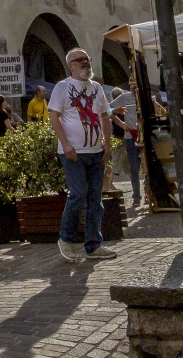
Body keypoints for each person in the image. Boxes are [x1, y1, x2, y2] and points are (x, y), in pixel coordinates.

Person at [50, 47, 117, 263]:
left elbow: (105, 116)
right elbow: (54, 117)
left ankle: (93, 245)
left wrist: (107, 144)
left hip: (96, 152)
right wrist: (66, 144)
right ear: (71, 66)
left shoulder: (96, 87)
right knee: (78, 194)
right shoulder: (63, 87)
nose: (85, 63)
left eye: (87, 59)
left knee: (95, 200)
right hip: (73, 152)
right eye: (80, 60)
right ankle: (66, 240)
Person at [110, 95, 143, 207]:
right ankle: (136, 197)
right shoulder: (124, 97)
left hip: (145, 135)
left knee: (151, 167)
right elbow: (107, 109)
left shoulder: (147, 95)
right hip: (130, 137)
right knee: (133, 168)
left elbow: (159, 111)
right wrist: (120, 122)